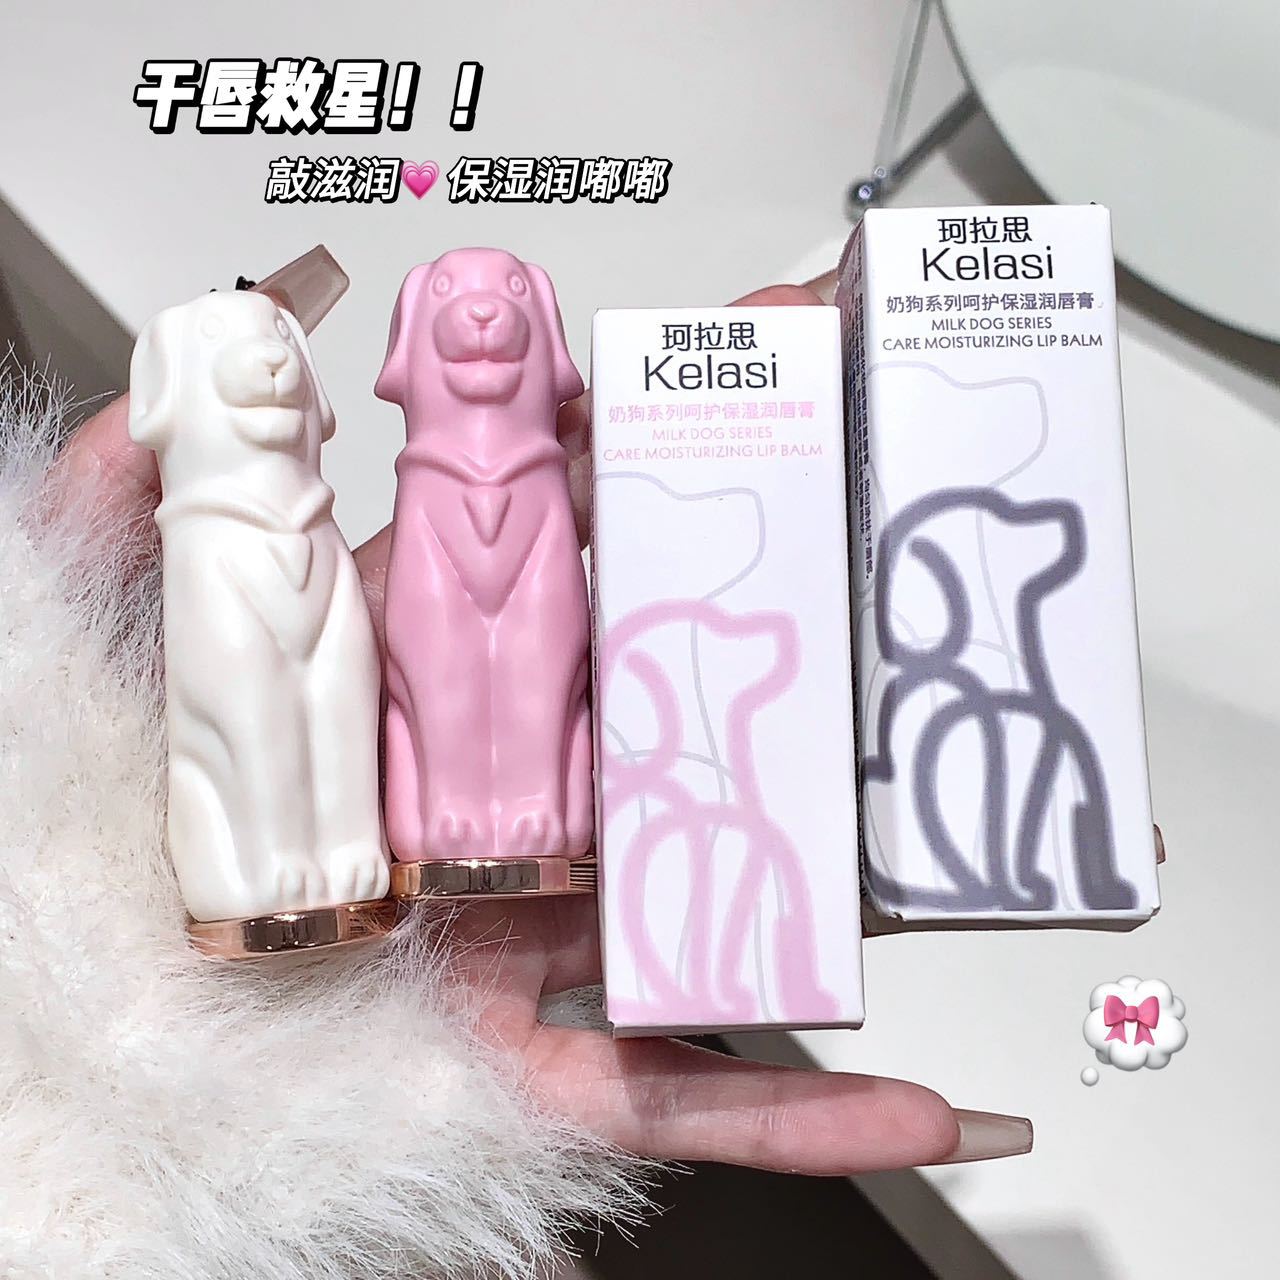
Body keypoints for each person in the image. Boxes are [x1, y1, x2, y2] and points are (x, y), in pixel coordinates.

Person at [51, 281, 1031, 1181]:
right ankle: (339, 851)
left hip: (582, 808)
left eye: (513, 295)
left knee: (518, 668)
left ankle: (438, 833)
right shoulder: (245, 537)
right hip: (299, 868)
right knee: (361, 689)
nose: (485, 315)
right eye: (451, 298)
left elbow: (530, 656)